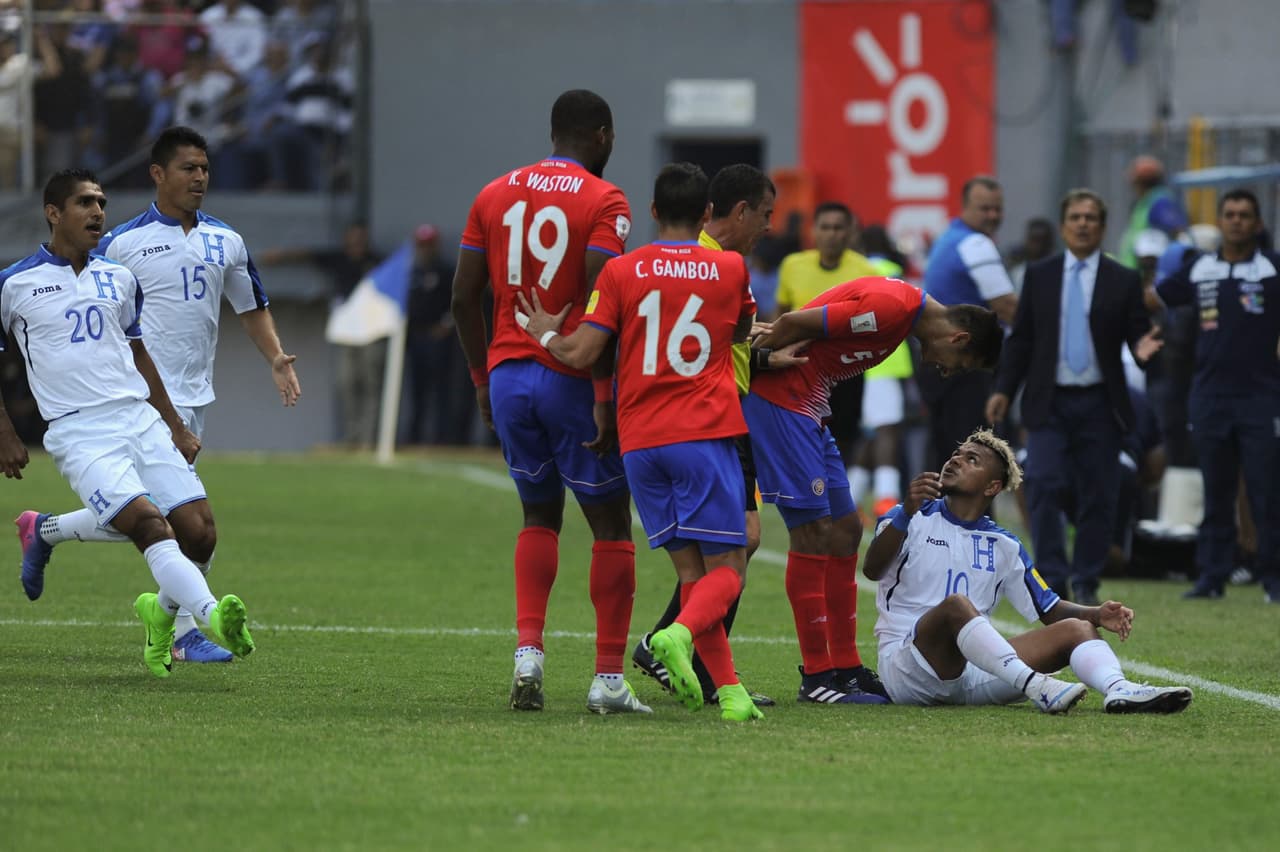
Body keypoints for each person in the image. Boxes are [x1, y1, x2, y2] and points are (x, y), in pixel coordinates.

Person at [15, 127, 300, 665]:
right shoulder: (121, 244)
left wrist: (276, 357)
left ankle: (46, 529)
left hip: (187, 400)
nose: (199, 178)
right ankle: (190, 628)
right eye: (189, 168)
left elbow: (251, 305)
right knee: (157, 522)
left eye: (205, 169)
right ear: (158, 174)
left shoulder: (226, 241)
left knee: (172, 524)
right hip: (131, 402)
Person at [515, 162, 764, 721]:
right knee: (730, 566)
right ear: (706, 213)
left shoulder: (622, 272)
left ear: (653, 211)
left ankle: (731, 693)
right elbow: (743, 332)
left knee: (691, 576)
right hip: (703, 432)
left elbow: (581, 353)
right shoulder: (729, 268)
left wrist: (543, 332)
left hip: (640, 442)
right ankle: (670, 636)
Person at [452, 89, 640, 714]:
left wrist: (482, 378)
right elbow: (601, 294)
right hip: (568, 378)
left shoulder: (493, 192)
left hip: (507, 378)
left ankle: (529, 653)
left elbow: (462, 296)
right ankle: (608, 679)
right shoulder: (605, 199)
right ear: (604, 136)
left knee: (539, 516)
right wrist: (604, 396)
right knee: (611, 523)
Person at [746, 276, 1003, 703]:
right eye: (959, 363)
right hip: (784, 404)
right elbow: (792, 321)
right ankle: (817, 677)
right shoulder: (892, 308)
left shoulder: (902, 317)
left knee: (846, 528)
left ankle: (846, 668)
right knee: (811, 532)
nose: (946, 370)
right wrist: (759, 358)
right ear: (959, 337)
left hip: (810, 408)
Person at [862, 429, 1193, 714]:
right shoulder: (910, 516)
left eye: (972, 459)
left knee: (1076, 629)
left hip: (973, 673)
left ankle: (1119, 689)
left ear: (992, 487)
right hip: (908, 671)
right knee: (956, 606)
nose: (956, 460)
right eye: (957, 454)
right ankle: (1039, 687)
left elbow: (1047, 609)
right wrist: (907, 509)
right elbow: (873, 569)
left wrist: (1095, 613)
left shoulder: (1004, 543)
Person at [629, 163, 783, 708]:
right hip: (708, 421)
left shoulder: (669, 261)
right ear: (737, 212)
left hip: (659, 427)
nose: (768, 226)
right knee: (734, 550)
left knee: (711, 555)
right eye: (764, 214)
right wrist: (759, 351)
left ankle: (687, 658)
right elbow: (709, 346)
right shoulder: (722, 267)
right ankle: (676, 647)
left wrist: (761, 355)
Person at [985, 189, 1160, 606]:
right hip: (1050, 401)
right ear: (1064, 226)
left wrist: (1144, 346)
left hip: (1101, 403)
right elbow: (1022, 340)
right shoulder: (1040, 275)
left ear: (1102, 227)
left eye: (1091, 218)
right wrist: (1004, 390)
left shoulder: (1122, 279)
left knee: (1099, 490)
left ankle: (1086, 578)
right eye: (1075, 217)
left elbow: (1138, 330)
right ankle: (1053, 578)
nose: (1083, 224)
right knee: (1042, 482)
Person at [1156, 189, 1280, 602]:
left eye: (1245, 214)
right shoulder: (1199, 267)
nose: (1237, 221)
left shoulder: (1271, 269)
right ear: (1221, 221)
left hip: (1261, 398)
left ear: (1257, 223)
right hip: (1209, 397)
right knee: (1217, 490)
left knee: (1266, 490)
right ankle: (1212, 577)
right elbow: (1160, 293)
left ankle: (1273, 578)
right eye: (1229, 214)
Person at [919, 176, 1018, 471]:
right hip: (965, 361)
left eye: (997, 209)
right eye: (984, 208)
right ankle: (972, 518)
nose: (992, 216)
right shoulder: (975, 244)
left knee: (946, 451)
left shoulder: (949, 237)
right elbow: (1007, 307)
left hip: (937, 360)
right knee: (975, 453)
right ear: (964, 207)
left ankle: (939, 516)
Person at [773, 202, 881, 466]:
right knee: (799, 429)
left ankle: (837, 489)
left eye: (838, 228)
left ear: (850, 232)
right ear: (814, 231)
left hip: (845, 368)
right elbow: (781, 314)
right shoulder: (793, 265)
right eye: (826, 227)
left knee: (843, 435)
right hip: (800, 365)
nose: (832, 234)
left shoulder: (865, 272)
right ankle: (805, 489)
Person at [260, 221, 382, 447]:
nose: (356, 245)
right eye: (352, 240)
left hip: (371, 331)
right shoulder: (339, 259)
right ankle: (353, 437)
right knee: (347, 383)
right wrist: (279, 257)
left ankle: (370, 440)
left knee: (371, 384)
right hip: (346, 332)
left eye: (360, 241)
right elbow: (307, 255)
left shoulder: (375, 262)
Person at [847, 224, 914, 520]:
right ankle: (886, 499)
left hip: (859, 362)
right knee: (888, 432)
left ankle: (851, 499)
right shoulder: (890, 269)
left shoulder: (856, 270)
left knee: (873, 436)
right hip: (887, 362)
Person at [404, 223, 466, 445]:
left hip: (438, 339)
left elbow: (459, 302)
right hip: (415, 338)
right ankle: (414, 438)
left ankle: (442, 439)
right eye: (422, 245)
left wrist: (446, 325)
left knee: (442, 391)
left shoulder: (446, 271)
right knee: (417, 392)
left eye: (429, 245)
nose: (425, 249)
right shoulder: (409, 271)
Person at [1117, 155, 1187, 270]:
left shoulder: (1160, 201)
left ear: (1141, 182)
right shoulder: (1145, 202)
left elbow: (1177, 232)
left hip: (1147, 276)